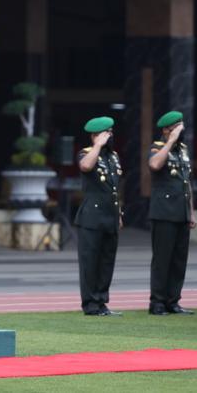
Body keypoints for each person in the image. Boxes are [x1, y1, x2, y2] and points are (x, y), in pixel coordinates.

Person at [147, 110, 194, 315]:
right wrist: (170, 141)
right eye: (177, 128)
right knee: (162, 259)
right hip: (164, 212)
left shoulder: (182, 150)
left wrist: (191, 211)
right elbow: (155, 164)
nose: (181, 132)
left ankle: (173, 301)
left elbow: (186, 182)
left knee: (179, 260)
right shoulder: (158, 147)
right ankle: (157, 302)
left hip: (181, 212)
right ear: (167, 130)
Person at [76, 116, 123, 317]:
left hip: (110, 216)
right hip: (92, 217)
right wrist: (97, 145)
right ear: (95, 135)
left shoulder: (113, 157)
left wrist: (119, 213)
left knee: (106, 262)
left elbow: (114, 189)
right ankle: (90, 304)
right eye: (106, 133)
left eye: (111, 133)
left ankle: (102, 302)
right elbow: (86, 167)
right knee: (90, 263)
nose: (110, 136)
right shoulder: (86, 153)